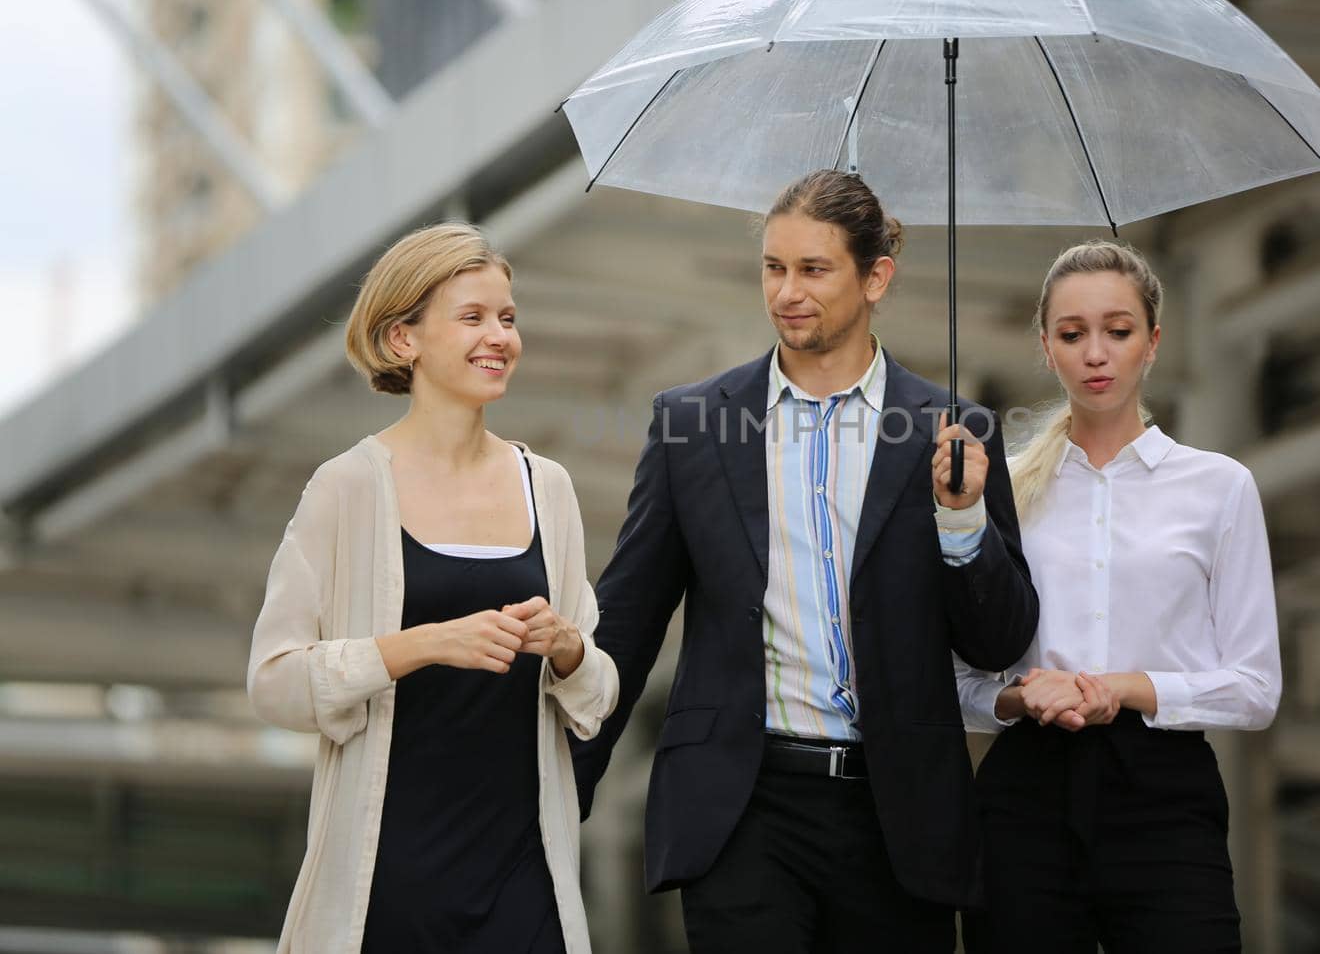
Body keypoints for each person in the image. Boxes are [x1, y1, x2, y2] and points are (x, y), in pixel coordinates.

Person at [571, 169, 1038, 953]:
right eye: (773, 267)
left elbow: (999, 642)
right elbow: (626, 619)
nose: (787, 291)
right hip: (741, 807)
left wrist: (961, 522)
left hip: (898, 820)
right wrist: (564, 785)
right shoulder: (692, 424)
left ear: (876, 276)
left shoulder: (955, 432)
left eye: (813, 269)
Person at [247, 223, 619, 954]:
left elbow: (596, 699)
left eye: (508, 318)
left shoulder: (549, 487)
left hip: (525, 881)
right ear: (402, 340)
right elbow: (272, 682)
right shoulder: (346, 487)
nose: (500, 337)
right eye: (473, 317)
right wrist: (412, 646)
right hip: (386, 887)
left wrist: (572, 648)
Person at [956, 240, 1281, 953]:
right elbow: (954, 682)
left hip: (1164, 792)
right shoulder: (997, 489)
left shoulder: (1219, 487)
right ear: (1045, 347)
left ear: (1154, 342)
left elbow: (1256, 688)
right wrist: (1018, 697)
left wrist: (1128, 688)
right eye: (1072, 334)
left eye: (1119, 330)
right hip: (1024, 792)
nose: (1096, 353)